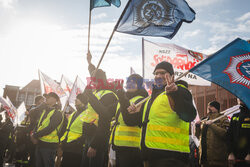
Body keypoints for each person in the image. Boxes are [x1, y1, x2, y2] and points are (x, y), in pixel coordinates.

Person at [119, 61, 196, 167]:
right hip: (150, 157)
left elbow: (189, 115)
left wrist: (175, 93)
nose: (158, 76)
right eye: (156, 73)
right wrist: (128, 107)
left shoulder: (180, 90)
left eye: (162, 73)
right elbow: (130, 121)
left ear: (172, 75)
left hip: (171, 158)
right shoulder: (151, 99)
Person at [82, 51, 119, 167]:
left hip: (97, 138)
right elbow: (94, 72)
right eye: (92, 81)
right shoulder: (97, 92)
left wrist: (95, 144)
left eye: (96, 80)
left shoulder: (109, 95)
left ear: (102, 80)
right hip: (89, 136)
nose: (93, 83)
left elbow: (104, 120)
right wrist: (89, 62)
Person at [111, 74, 148, 167]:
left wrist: (122, 97)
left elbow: (130, 121)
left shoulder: (142, 100)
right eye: (128, 82)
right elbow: (104, 112)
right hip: (119, 146)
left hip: (133, 149)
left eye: (133, 82)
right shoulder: (124, 99)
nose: (129, 84)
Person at [31, 92, 63, 167]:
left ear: (54, 100)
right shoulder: (44, 111)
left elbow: (50, 128)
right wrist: (34, 134)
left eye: (48, 98)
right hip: (40, 143)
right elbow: (38, 123)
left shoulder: (57, 113)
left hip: (49, 146)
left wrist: (35, 135)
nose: (46, 100)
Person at [196, 101, 229, 167]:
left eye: (211, 106)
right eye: (208, 106)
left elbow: (225, 134)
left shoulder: (223, 118)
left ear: (216, 108)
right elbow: (197, 136)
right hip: (204, 159)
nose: (208, 107)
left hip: (217, 159)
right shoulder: (204, 120)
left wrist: (212, 125)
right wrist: (197, 127)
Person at [60, 93, 88, 167]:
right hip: (68, 146)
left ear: (82, 101)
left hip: (77, 148)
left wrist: (77, 142)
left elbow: (87, 133)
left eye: (77, 100)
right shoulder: (74, 113)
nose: (75, 102)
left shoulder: (87, 114)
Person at [227, 99, 250, 167]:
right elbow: (229, 136)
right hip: (235, 159)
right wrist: (230, 153)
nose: (240, 99)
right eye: (238, 97)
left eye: (242, 97)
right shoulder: (235, 116)